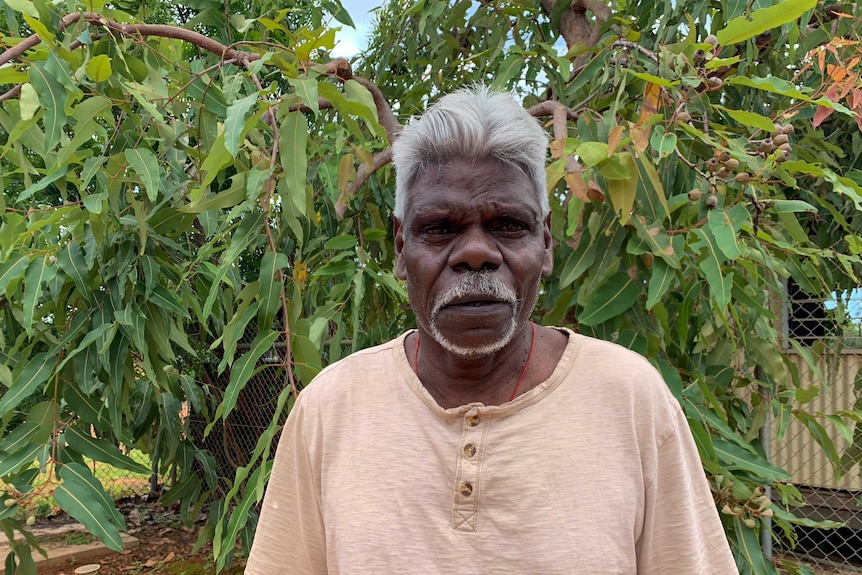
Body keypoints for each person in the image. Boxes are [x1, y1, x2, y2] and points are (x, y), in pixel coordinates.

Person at [245, 86, 738, 574]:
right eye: (439, 228)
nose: (475, 253)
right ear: (400, 248)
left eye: (507, 225)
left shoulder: (631, 400)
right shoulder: (330, 409)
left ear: (545, 243)